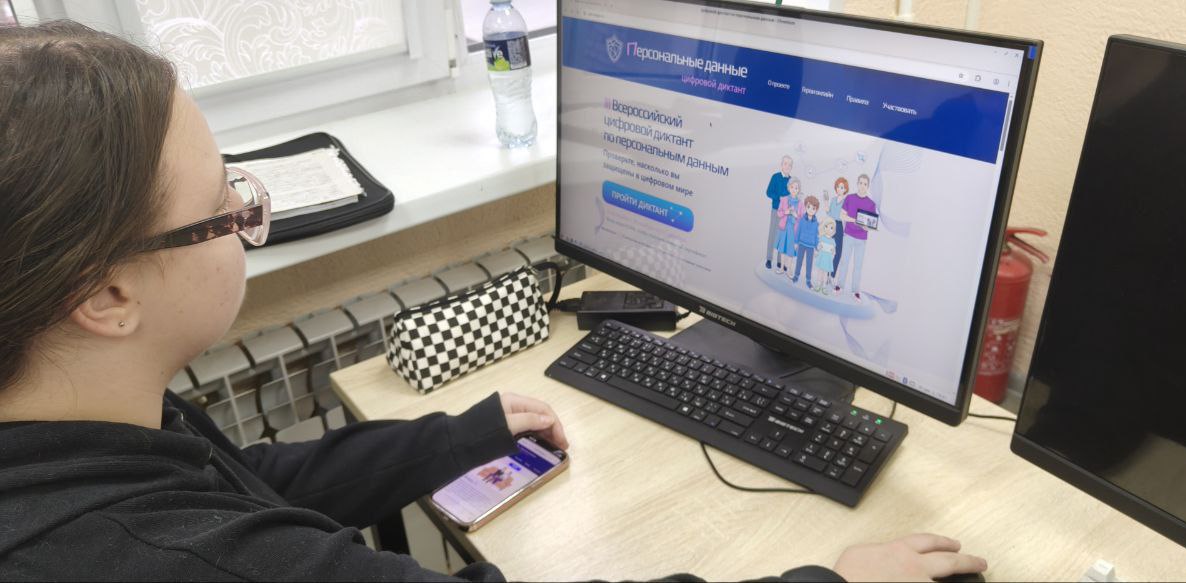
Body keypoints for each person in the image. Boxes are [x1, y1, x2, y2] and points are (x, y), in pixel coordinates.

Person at [0, 21, 988, 582]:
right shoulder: (172, 558)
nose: (247, 216)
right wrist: (835, 580)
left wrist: (459, 434)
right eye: (226, 205)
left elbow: (251, 478)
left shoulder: (82, 421)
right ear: (109, 293)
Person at [837, 174, 877, 302]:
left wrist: (867, 227)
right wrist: (854, 220)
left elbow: (871, 225)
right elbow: (842, 215)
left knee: (858, 266)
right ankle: (839, 286)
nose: (862, 186)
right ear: (857, 184)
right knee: (844, 262)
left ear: (868, 186)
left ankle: (855, 291)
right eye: (861, 183)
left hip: (861, 239)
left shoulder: (871, 204)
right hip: (848, 235)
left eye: (865, 184)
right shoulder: (849, 198)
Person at [764, 155, 792, 270]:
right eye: (785, 163)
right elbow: (768, 192)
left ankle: (780, 261)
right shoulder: (775, 177)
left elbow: (792, 195)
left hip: (786, 213)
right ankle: (769, 259)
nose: (787, 166)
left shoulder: (791, 181)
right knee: (772, 234)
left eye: (790, 165)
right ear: (781, 165)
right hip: (776, 210)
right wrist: (779, 198)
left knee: (782, 237)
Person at [793, 196, 821, 288]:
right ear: (805, 206)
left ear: (816, 210)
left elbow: (816, 236)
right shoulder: (802, 220)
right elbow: (798, 231)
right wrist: (796, 242)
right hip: (801, 243)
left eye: (813, 208)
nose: (810, 210)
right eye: (809, 207)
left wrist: (817, 247)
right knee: (799, 261)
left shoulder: (816, 223)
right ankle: (796, 275)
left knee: (809, 264)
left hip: (811, 246)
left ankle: (808, 280)